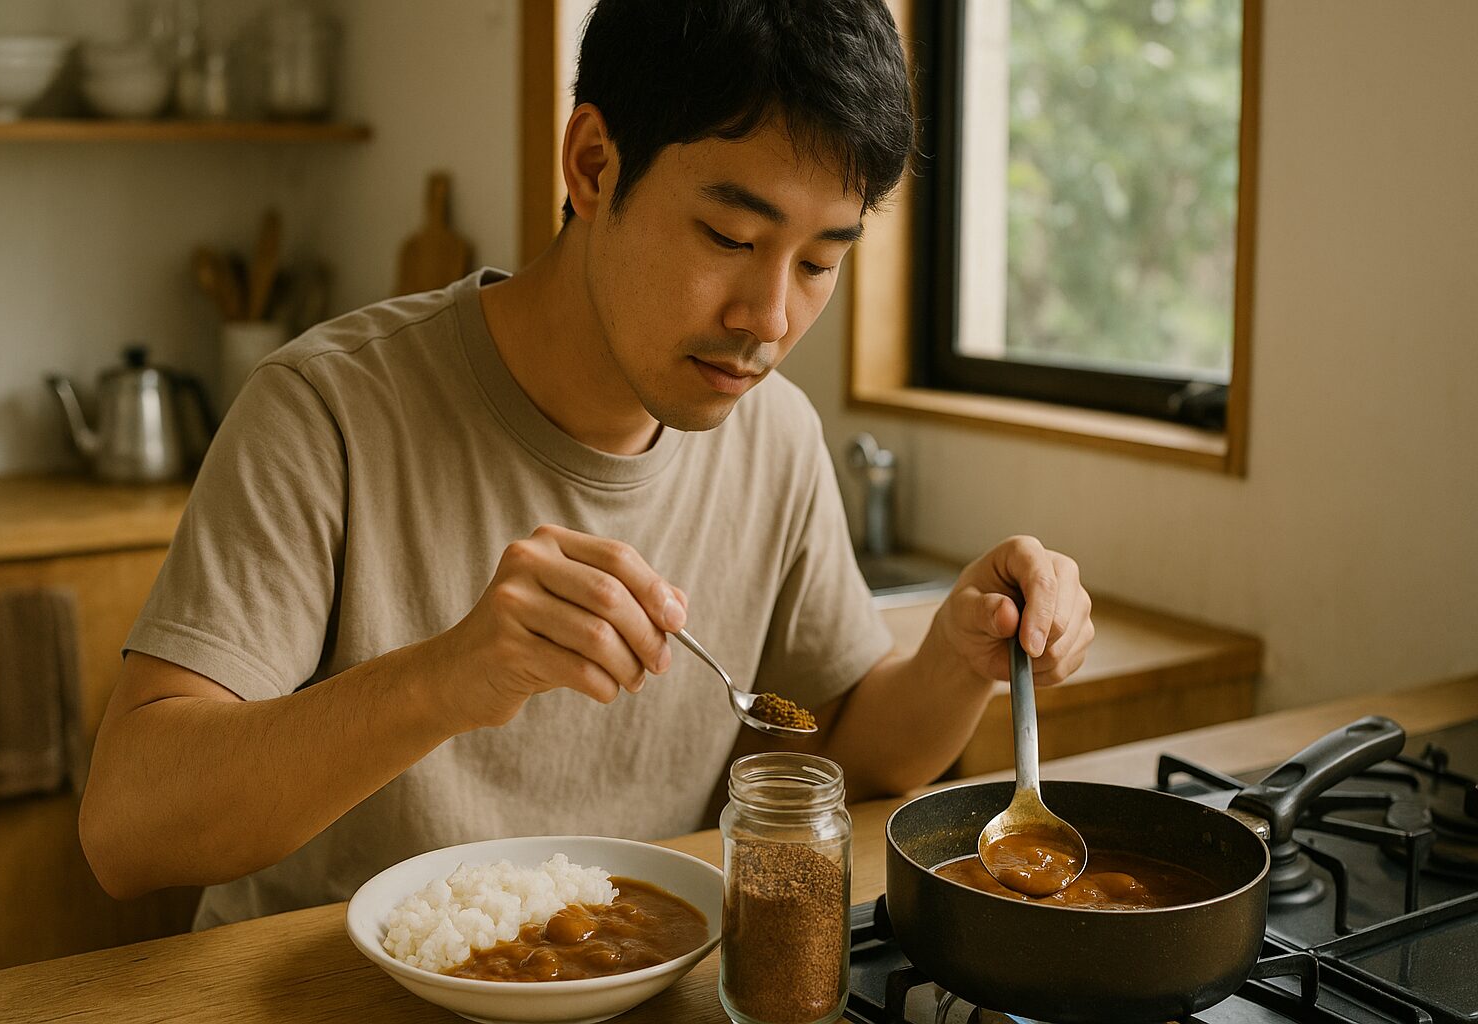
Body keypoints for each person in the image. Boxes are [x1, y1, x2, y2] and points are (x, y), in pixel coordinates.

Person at [79, 0, 1094, 929]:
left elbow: (852, 750)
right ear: (594, 163)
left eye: (821, 262)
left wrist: (963, 661)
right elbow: (127, 831)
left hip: (639, 979)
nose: (771, 318)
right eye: (729, 234)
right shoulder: (327, 409)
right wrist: (448, 678)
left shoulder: (774, 432)